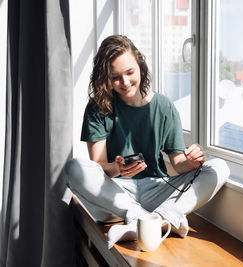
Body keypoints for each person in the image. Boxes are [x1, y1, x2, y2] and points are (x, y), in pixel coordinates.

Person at [64, 35, 230, 249]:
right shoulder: (98, 107)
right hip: (116, 195)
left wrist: (192, 161)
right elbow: (97, 165)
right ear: (106, 77)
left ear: (140, 67)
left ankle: (157, 218)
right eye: (115, 77)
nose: (124, 82)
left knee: (219, 168)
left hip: (157, 189)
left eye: (130, 72)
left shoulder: (163, 106)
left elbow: (178, 163)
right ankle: (151, 218)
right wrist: (117, 168)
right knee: (73, 168)